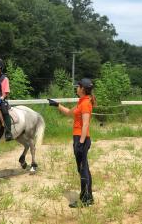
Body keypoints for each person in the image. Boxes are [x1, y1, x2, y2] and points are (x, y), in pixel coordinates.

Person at [48, 78, 95, 208]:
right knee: (84, 168)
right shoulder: (82, 101)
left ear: (83, 89)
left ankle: (85, 199)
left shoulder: (85, 103)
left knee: (82, 169)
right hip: (80, 138)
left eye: (78, 86)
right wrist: (57, 105)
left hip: (81, 138)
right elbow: (69, 112)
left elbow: (85, 124)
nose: (76, 88)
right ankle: (88, 197)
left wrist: (80, 142)